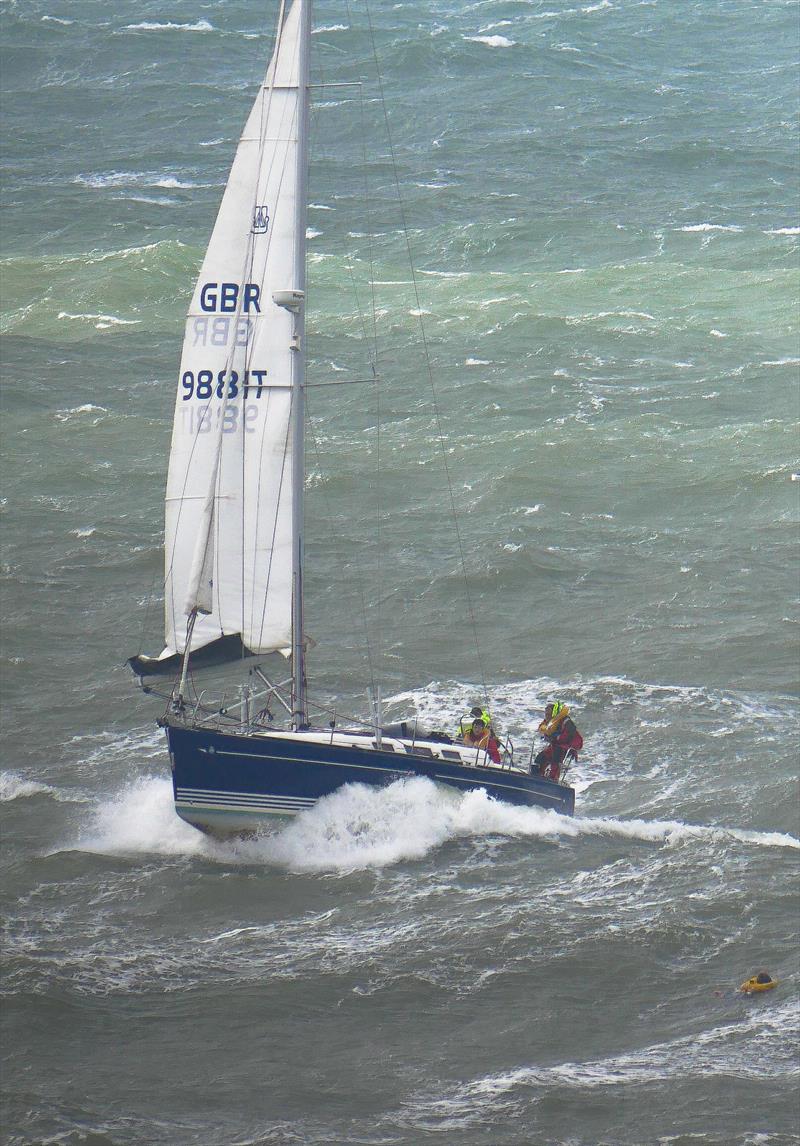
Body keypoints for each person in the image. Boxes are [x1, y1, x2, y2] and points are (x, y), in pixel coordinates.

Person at [534, 701, 582, 782]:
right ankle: (537, 775)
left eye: (548, 714)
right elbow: (542, 729)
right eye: (546, 714)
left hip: (569, 745)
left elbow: (570, 735)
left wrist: (557, 738)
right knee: (540, 757)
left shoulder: (566, 722)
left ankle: (553, 778)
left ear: (554, 713)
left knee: (556, 755)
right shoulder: (549, 722)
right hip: (556, 745)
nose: (547, 716)